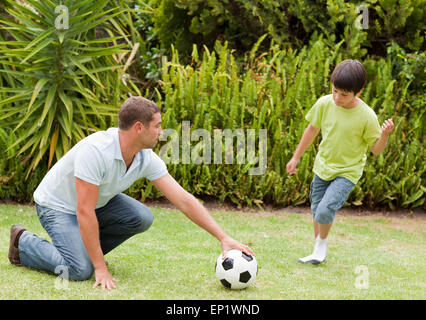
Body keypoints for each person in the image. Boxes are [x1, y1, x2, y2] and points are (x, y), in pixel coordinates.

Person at [8, 96, 254, 290]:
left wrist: (223, 237)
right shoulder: (96, 151)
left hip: (93, 205)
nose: (161, 132)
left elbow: (183, 199)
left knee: (141, 217)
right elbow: (83, 211)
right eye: (157, 126)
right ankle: (24, 242)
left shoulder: (144, 156)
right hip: (58, 206)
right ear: (139, 128)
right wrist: (100, 267)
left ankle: (82, 253)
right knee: (80, 270)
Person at [286, 59, 394, 264]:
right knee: (317, 210)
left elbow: (376, 150)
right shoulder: (325, 103)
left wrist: (385, 135)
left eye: (344, 94)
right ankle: (317, 248)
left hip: (348, 171)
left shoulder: (367, 116)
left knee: (325, 209)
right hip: (323, 166)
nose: (337, 97)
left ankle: (320, 248)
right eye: (335, 91)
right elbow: (312, 130)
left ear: (358, 92)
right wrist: (296, 157)